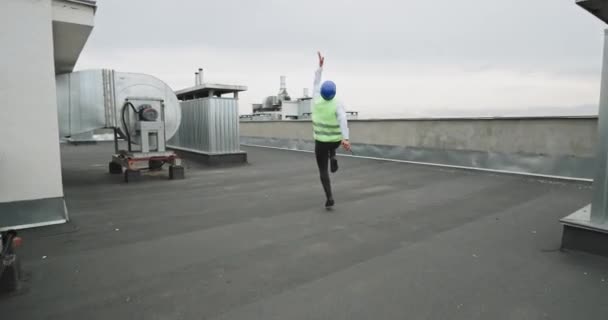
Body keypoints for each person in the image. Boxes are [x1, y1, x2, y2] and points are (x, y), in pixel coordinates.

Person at [311, 52, 351, 208]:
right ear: (334, 92)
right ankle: (333, 156)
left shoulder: (315, 99)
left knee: (323, 170)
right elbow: (343, 120)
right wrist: (345, 139)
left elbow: (315, 82)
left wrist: (320, 67)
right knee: (331, 148)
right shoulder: (338, 103)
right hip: (335, 141)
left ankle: (329, 197)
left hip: (321, 142)